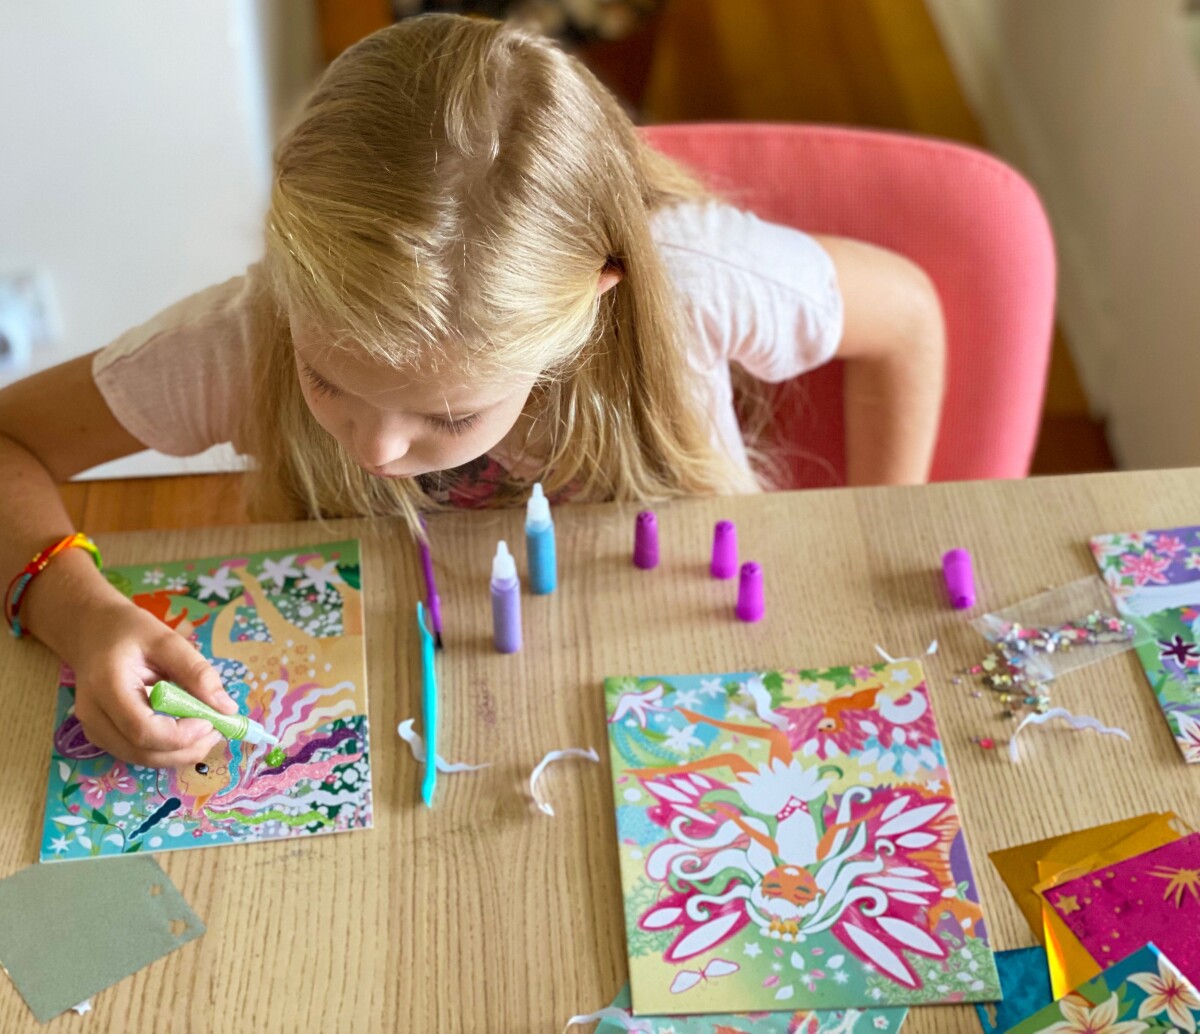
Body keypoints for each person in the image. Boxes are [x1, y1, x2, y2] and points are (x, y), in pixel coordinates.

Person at [0, 14, 944, 767]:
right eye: (328, 380)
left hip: (699, 697)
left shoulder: (699, 281)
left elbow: (905, 314)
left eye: (449, 415)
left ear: (584, 312)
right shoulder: (240, 336)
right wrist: (79, 611)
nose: (372, 451)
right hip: (406, 699)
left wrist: (875, 528)